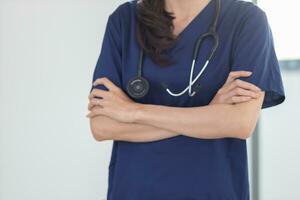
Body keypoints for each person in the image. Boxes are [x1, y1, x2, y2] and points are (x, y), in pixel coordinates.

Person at [86, 0, 285, 199]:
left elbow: (240, 123)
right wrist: (210, 115)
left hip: (212, 189)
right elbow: (102, 126)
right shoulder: (125, 20)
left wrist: (134, 112)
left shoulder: (247, 21)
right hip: (135, 189)